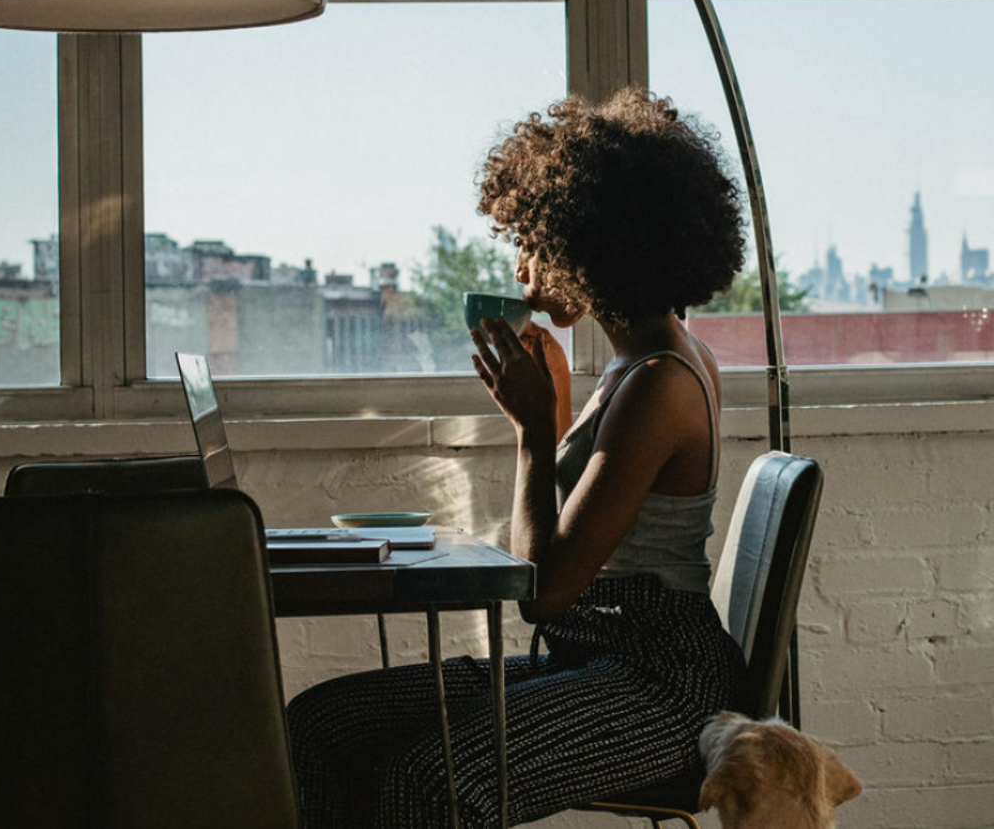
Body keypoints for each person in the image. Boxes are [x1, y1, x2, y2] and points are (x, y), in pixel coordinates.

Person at [286, 88, 749, 829]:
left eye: (537, 243)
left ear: (596, 248)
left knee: (425, 782)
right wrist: (556, 413)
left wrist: (535, 432)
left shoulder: (660, 382)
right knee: (319, 724)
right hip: (595, 655)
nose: (523, 266)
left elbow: (544, 590)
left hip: (657, 680)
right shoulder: (635, 365)